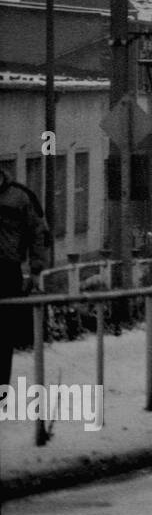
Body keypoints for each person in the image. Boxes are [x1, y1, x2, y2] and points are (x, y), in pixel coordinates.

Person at [0, 166, 50, 396]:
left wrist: (36, 270)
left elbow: (37, 233)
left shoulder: (20, 197)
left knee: (3, 336)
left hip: (7, 273)